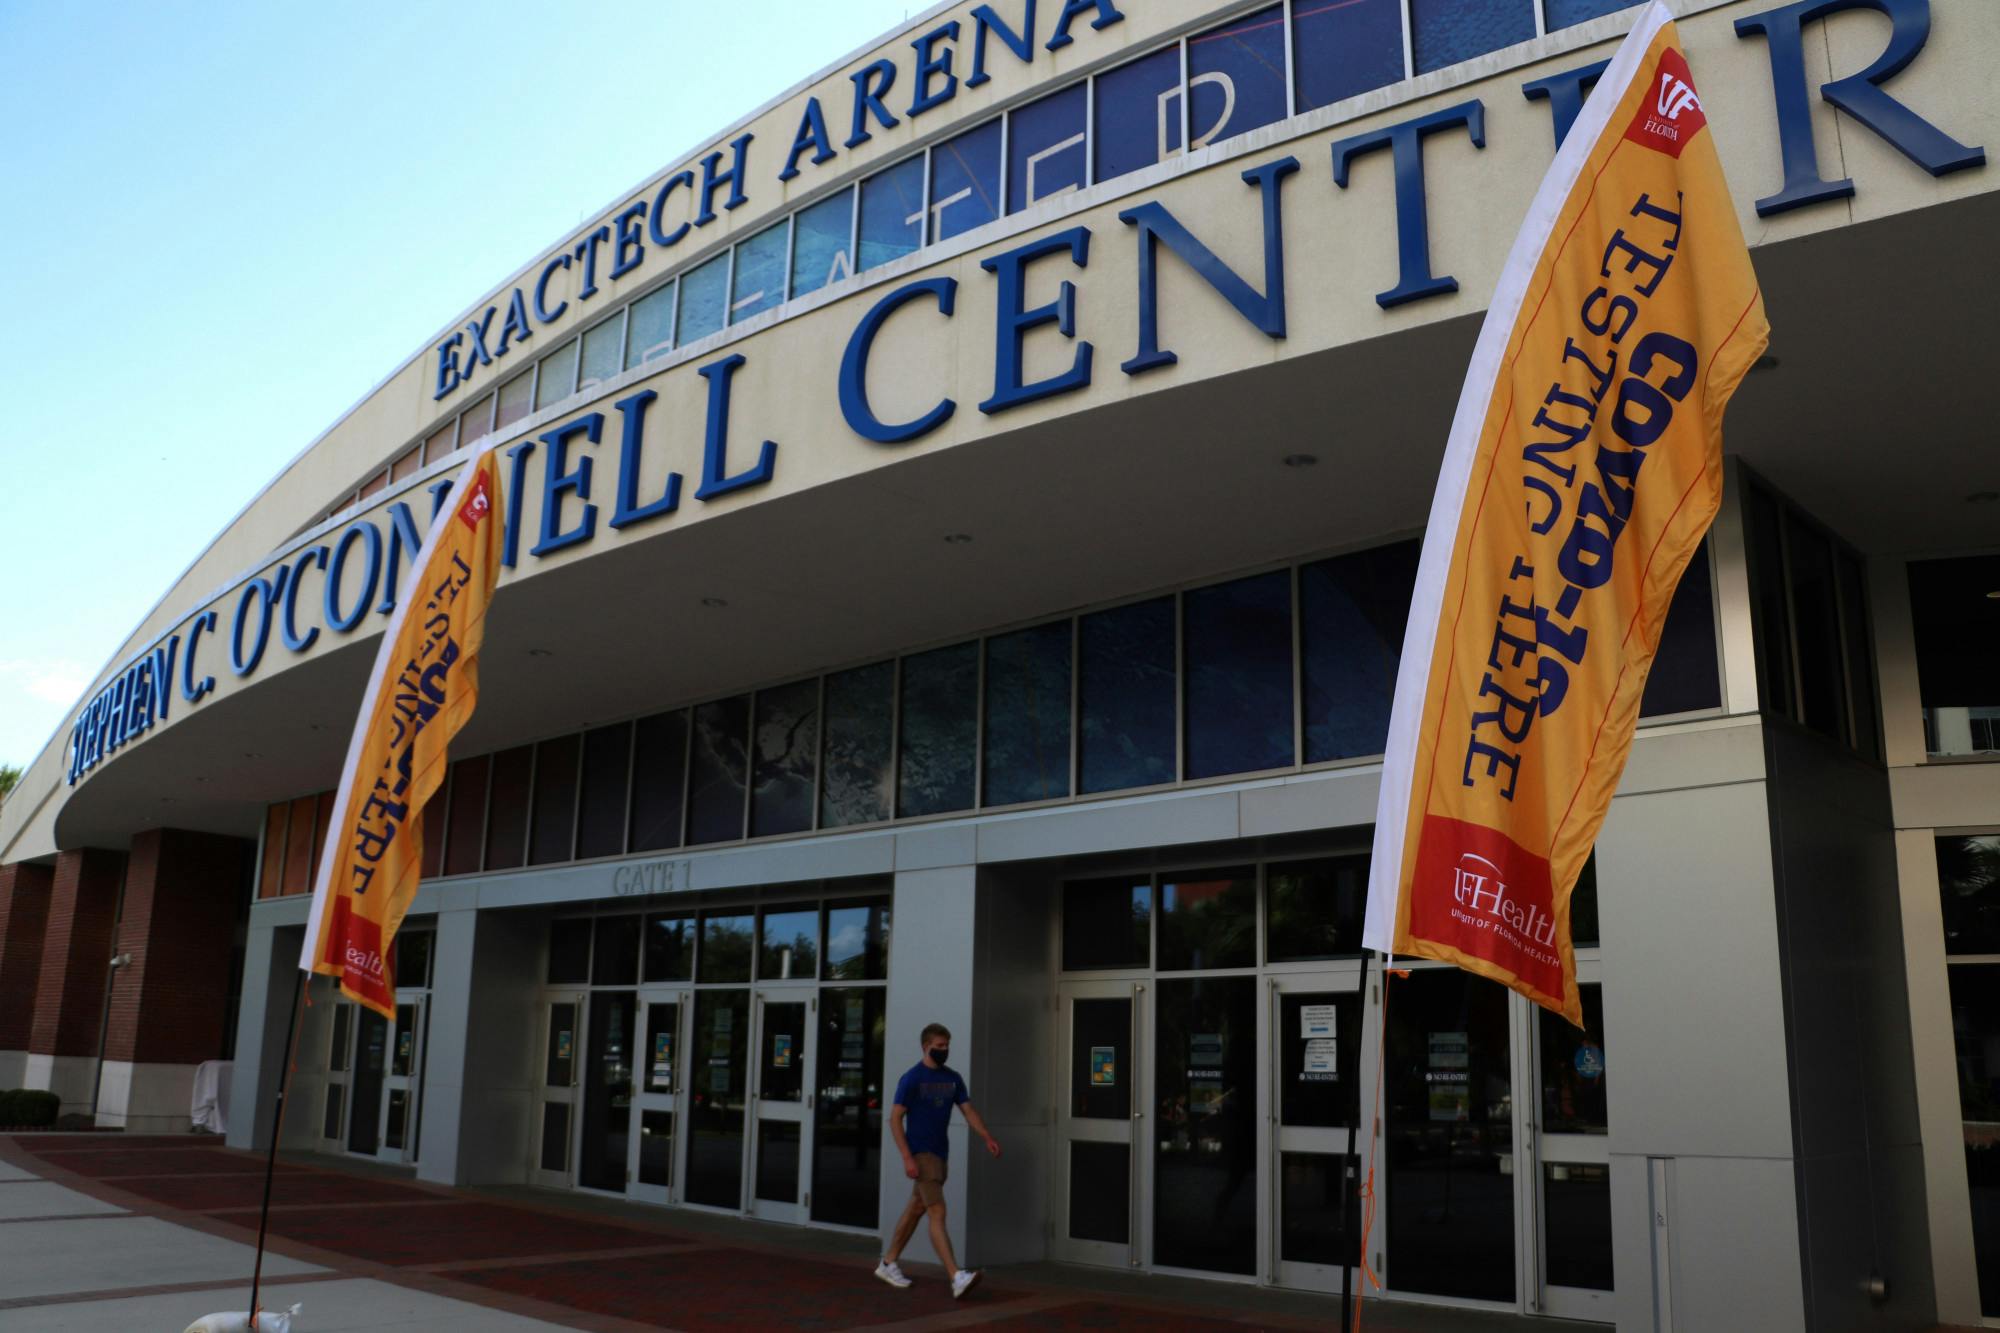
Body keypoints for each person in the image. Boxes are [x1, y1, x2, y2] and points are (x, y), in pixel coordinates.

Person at [875, 1022, 1001, 1298]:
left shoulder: (953, 1079)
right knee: (937, 1212)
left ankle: (888, 1262)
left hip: (940, 1154)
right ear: (925, 1047)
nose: (944, 1050)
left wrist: (986, 1136)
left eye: (947, 1046)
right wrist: (908, 1157)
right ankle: (956, 1276)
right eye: (939, 1046)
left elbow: (968, 1111)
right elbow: (895, 1118)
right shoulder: (912, 1078)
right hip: (922, 1155)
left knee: (916, 1208)